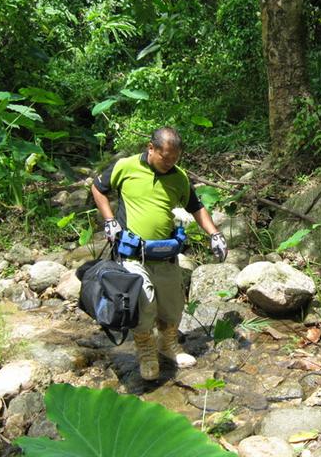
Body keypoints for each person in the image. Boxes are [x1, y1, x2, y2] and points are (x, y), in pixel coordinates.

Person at [91, 127, 228, 380]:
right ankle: (146, 351)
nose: (170, 163)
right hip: (131, 254)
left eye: (175, 158)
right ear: (151, 148)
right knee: (144, 300)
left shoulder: (179, 177)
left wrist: (215, 234)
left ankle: (168, 345)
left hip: (165, 253)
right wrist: (109, 220)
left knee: (173, 305)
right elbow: (98, 188)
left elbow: (196, 206)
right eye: (165, 157)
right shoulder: (126, 166)